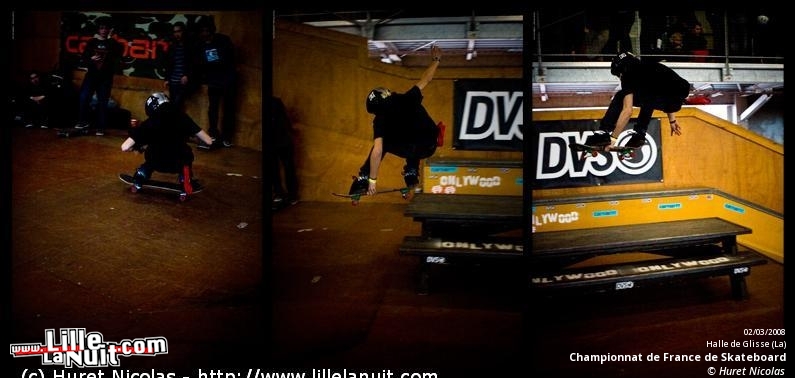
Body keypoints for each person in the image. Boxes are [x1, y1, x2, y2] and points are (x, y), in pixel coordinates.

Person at [349, 45, 443, 197]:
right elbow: (427, 78)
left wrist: (373, 180)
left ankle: (363, 178)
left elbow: (378, 151)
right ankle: (411, 172)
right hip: (429, 145)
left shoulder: (380, 120)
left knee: (383, 143)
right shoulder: (407, 98)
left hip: (413, 147)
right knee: (411, 132)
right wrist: (436, 60)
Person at [585, 51, 690, 149]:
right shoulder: (648, 65)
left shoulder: (627, 75)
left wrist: (613, 139)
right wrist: (672, 120)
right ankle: (639, 134)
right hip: (677, 98)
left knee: (620, 96)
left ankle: (604, 132)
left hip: (665, 96)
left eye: (618, 75)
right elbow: (666, 89)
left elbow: (627, 111)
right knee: (648, 98)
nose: (620, 78)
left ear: (620, 70)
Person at [120, 92, 213, 194]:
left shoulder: (150, 121)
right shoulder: (182, 116)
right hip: (178, 162)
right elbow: (208, 141)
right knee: (185, 153)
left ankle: (141, 174)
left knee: (151, 151)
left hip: (156, 161)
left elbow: (124, 147)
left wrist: (136, 147)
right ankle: (184, 178)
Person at [75, 17, 122, 136]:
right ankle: (83, 122)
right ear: (98, 29)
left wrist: (111, 38)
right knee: (84, 97)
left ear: (109, 30)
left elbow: (118, 54)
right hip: (91, 76)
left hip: (105, 78)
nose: (103, 30)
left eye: (106, 28)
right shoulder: (92, 42)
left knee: (103, 102)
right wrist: (91, 59)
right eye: (101, 28)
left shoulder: (112, 43)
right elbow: (84, 58)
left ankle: (100, 127)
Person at [194, 17, 237, 149]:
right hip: (213, 81)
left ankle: (226, 137)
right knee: (213, 109)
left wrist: (219, 63)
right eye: (202, 32)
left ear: (211, 31)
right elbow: (201, 63)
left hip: (228, 80)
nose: (204, 34)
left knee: (228, 110)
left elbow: (231, 58)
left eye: (207, 31)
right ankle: (213, 134)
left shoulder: (223, 40)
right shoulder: (201, 44)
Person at [271, 96, 299, 210]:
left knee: (280, 168)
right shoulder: (275, 102)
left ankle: (283, 194)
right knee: (284, 168)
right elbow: (286, 121)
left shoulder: (274, 102)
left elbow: (285, 122)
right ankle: (287, 194)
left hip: (281, 140)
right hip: (282, 140)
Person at [162, 21, 195, 111]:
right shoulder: (173, 47)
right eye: (175, 32)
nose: (177, 34)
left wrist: (187, 75)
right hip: (173, 81)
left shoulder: (189, 46)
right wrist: (167, 79)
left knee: (177, 106)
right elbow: (169, 64)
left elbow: (193, 63)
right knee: (173, 105)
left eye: (179, 31)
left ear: (183, 31)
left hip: (183, 82)